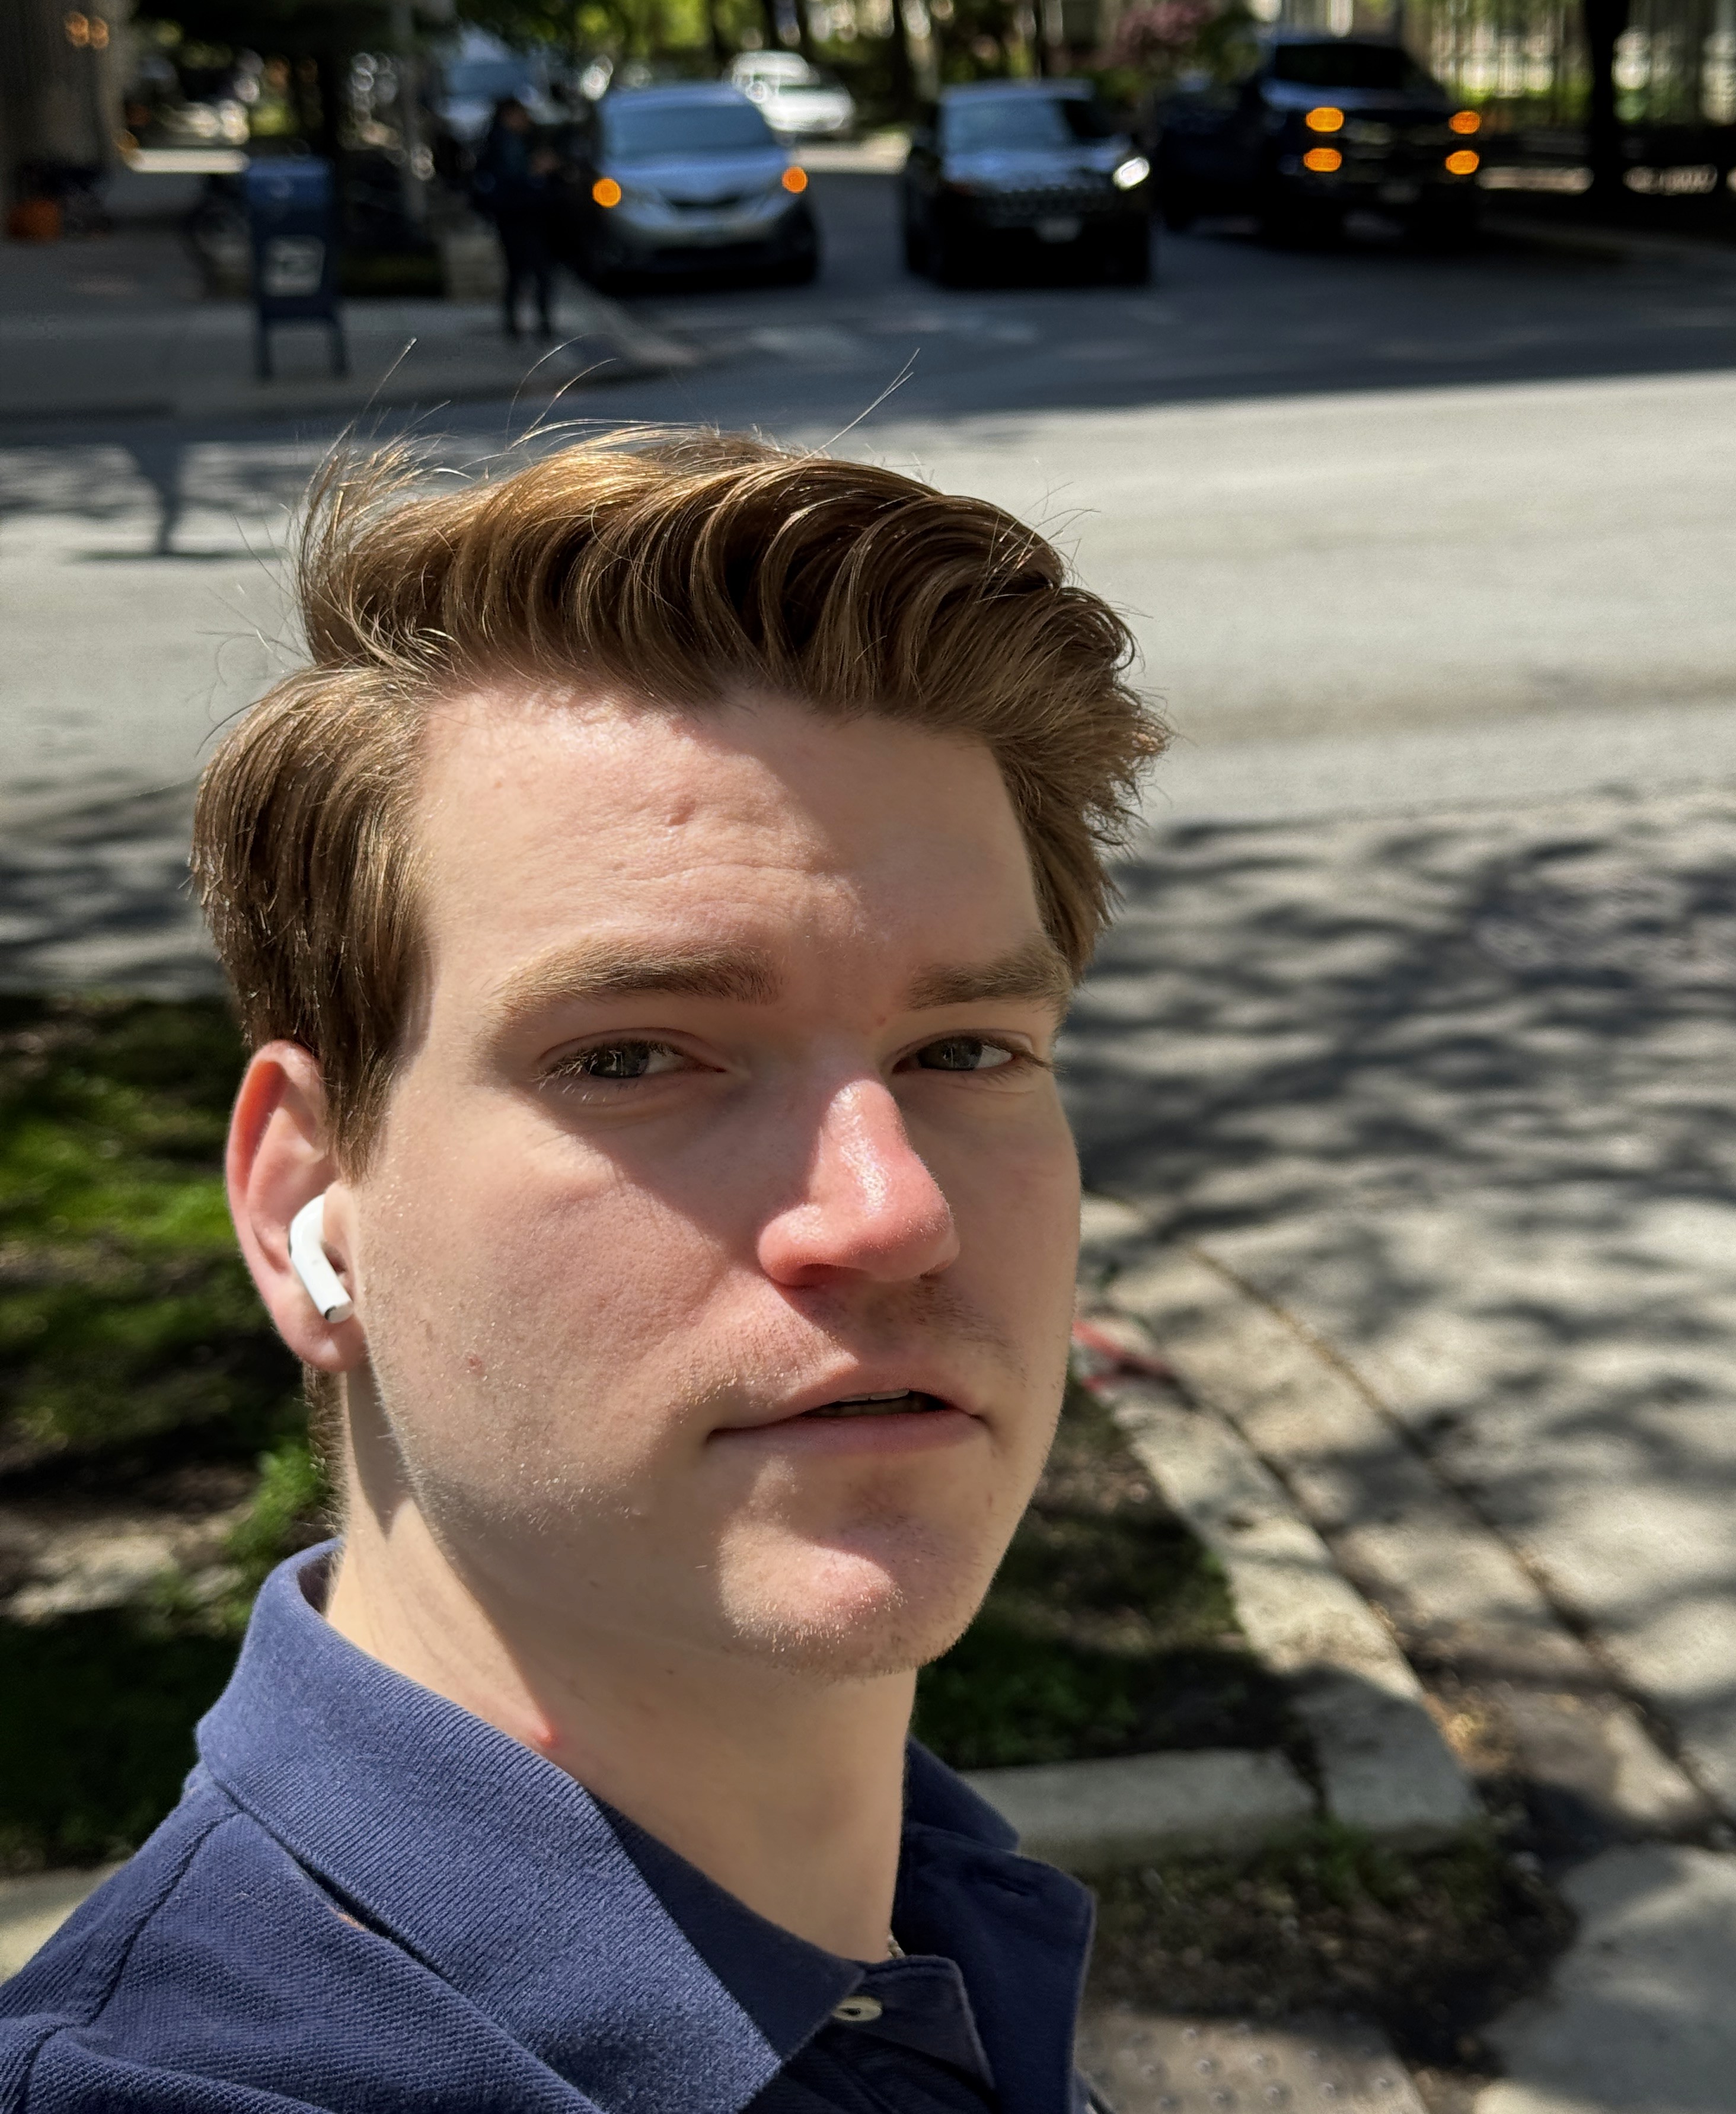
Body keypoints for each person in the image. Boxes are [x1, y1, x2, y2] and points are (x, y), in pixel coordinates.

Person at [0, 432, 1164, 2112]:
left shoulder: (942, 1931)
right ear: (307, 1205)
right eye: (633, 1058)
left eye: (967, 1049)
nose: (890, 1210)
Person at [471, 94, 560, 339]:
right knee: (523, 272)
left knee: (531, 273)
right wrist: (534, 175)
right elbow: (506, 184)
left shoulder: (520, 141)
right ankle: (520, 324)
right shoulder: (502, 146)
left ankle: (534, 323)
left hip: (530, 217)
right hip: (517, 217)